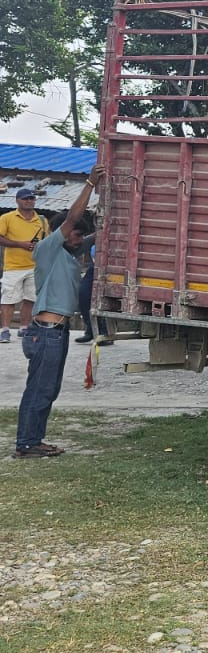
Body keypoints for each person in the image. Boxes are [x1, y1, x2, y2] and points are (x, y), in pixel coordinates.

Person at [14, 169, 103, 458]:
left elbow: (91, 236)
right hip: (46, 332)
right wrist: (90, 183)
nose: (78, 240)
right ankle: (27, 443)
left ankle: (33, 440)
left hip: (57, 332)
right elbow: (72, 221)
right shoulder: (47, 248)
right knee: (40, 389)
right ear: (60, 234)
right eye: (74, 236)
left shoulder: (69, 254)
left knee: (47, 390)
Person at [1, 186, 50, 342]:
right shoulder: (7, 218)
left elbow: (47, 241)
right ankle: (5, 330)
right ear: (17, 201)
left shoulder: (42, 220)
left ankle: (24, 328)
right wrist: (20, 244)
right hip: (13, 266)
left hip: (35, 266)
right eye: (25, 198)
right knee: (9, 300)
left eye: (32, 198)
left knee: (30, 299)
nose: (29, 201)